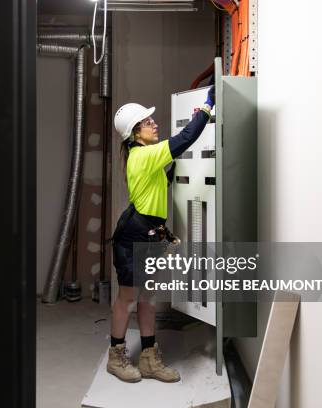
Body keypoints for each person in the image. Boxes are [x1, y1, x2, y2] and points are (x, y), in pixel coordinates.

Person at [107, 85, 215, 383]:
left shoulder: (146, 156)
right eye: (148, 122)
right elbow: (185, 139)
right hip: (134, 236)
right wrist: (206, 108)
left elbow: (160, 182)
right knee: (127, 297)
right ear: (135, 133)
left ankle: (149, 359)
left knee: (147, 295)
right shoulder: (142, 156)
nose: (154, 124)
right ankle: (115, 358)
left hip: (150, 233)